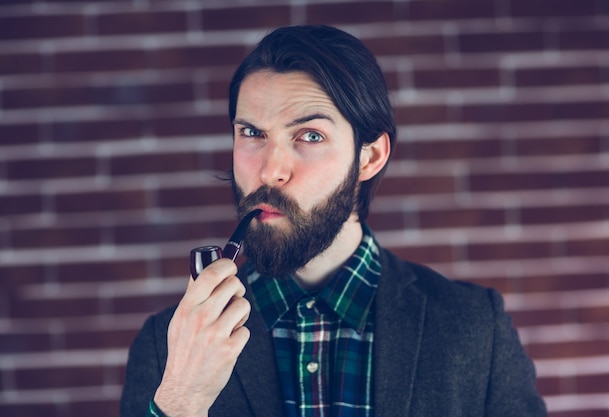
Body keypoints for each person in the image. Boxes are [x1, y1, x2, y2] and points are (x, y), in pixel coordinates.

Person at [120, 25, 547, 417]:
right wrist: (181, 400)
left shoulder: (474, 327)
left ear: (370, 156)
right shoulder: (167, 345)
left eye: (310, 136)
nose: (270, 171)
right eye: (252, 133)